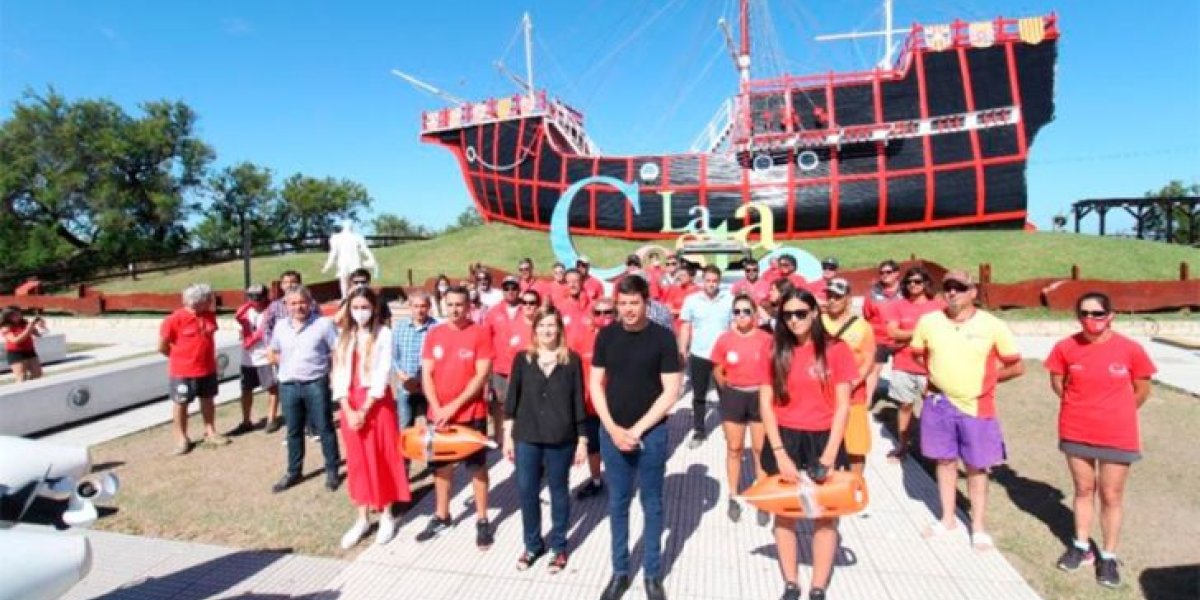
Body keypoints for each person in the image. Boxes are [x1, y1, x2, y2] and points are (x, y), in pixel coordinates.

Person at [1044, 292, 1156, 588]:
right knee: (1083, 489)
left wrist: (1116, 412)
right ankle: (1081, 547)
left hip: (1117, 434)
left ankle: (1107, 556)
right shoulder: (1065, 347)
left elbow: (1142, 390)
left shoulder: (1130, 349)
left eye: (1097, 313)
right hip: (1075, 430)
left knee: (1111, 495)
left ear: (1110, 316)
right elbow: (1058, 383)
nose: (1090, 319)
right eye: (1084, 313)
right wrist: (1080, 407)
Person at [911, 270, 1023, 551]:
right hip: (939, 403)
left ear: (973, 292)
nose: (952, 293)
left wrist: (985, 380)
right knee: (944, 462)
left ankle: (978, 527)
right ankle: (947, 518)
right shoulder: (929, 322)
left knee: (976, 466)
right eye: (948, 287)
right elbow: (919, 355)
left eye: (960, 288)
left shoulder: (992, 325)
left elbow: (1016, 366)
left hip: (976, 405)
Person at [758, 290, 855, 600]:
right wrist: (779, 453)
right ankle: (791, 582)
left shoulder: (836, 349)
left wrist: (829, 455)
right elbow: (766, 403)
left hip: (823, 437)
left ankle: (818, 585)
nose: (794, 320)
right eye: (787, 315)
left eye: (800, 313)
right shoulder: (775, 349)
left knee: (824, 516)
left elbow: (843, 405)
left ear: (814, 312)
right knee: (784, 512)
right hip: (785, 437)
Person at [590, 275, 682, 600]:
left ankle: (652, 574)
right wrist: (613, 428)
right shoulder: (606, 336)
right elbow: (595, 384)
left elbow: (671, 391)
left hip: (650, 433)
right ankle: (620, 571)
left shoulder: (663, 338)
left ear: (646, 303)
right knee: (618, 503)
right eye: (623, 303)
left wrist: (637, 430)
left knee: (652, 504)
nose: (628, 310)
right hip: (612, 432)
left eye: (634, 303)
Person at [503, 306, 588, 573]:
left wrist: (582, 440)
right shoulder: (522, 359)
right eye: (541, 325)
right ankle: (532, 545)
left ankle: (559, 546)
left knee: (558, 492)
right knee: (527, 491)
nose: (546, 330)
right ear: (534, 329)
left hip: (560, 437)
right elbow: (512, 400)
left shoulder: (571, 360)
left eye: (551, 325)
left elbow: (578, 401)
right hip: (527, 436)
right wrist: (507, 436)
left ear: (559, 328)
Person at [330, 287, 410, 548]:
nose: (360, 312)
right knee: (357, 461)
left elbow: (383, 373)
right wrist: (347, 408)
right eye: (355, 307)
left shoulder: (384, 334)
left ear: (374, 308)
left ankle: (387, 514)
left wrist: (364, 409)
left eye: (365, 307)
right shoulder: (344, 336)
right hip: (350, 402)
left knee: (383, 456)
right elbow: (338, 374)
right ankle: (362, 517)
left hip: (376, 403)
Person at [417, 286, 495, 548]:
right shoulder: (434, 333)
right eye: (450, 304)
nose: (455, 309)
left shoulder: (480, 333)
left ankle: (482, 520)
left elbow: (480, 376)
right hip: (437, 416)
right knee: (441, 468)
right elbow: (427, 374)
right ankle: (442, 515)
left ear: (468, 306)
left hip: (471, 414)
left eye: (460, 304)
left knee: (477, 468)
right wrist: (436, 407)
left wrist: (453, 407)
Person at [268, 285, 342, 493]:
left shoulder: (323, 324)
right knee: (293, 430)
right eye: (293, 303)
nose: (298, 307)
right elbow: (273, 351)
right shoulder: (280, 326)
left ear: (310, 303)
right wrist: (286, 365)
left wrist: (335, 376)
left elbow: (337, 350)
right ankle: (294, 471)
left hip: (315, 383)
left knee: (325, 428)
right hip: (289, 385)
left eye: (302, 302)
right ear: (286, 305)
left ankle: (332, 470)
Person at [710, 293, 772, 525]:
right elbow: (717, 368)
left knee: (759, 449)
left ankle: (762, 496)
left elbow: (775, 366)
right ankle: (734, 495)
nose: (742, 315)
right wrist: (728, 390)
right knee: (734, 448)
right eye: (737, 311)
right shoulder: (725, 339)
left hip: (759, 396)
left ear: (755, 313)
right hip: (734, 396)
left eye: (747, 311)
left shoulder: (766, 339)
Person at [158, 284, 228, 455]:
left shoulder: (209, 316)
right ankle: (181, 438)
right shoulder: (174, 319)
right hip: (183, 372)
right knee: (181, 404)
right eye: (209, 299)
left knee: (208, 400)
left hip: (207, 369)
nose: (211, 301)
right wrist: (180, 358)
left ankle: (210, 431)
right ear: (198, 301)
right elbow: (162, 346)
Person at [884, 265, 944, 461]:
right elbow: (893, 332)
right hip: (903, 363)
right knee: (905, 405)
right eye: (909, 282)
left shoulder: (937, 306)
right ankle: (902, 445)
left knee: (932, 407)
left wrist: (909, 334)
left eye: (917, 281)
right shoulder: (898, 306)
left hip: (930, 365)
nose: (913, 285)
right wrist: (921, 331)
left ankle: (933, 447)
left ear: (925, 283)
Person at [820, 278, 875, 479]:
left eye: (837, 296)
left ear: (848, 299)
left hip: (853, 394)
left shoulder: (863, 327)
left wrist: (851, 384)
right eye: (829, 295)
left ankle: (856, 483)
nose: (832, 300)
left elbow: (868, 360)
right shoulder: (817, 321)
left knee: (855, 446)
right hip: (822, 394)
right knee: (824, 443)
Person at [678, 265, 732, 448]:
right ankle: (699, 431)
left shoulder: (729, 300)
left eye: (715, 281)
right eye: (708, 280)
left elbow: (734, 326)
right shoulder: (692, 300)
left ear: (719, 281)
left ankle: (729, 428)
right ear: (703, 281)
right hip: (699, 353)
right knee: (699, 394)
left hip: (722, 356)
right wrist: (682, 350)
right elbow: (685, 326)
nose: (711, 284)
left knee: (726, 394)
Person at [567, 296, 616, 500]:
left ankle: (620, 480)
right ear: (592, 315)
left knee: (617, 445)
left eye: (608, 312)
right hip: (589, 403)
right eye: (598, 312)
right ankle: (596, 480)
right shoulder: (581, 337)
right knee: (593, 445)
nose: (603, 316)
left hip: (616, 404)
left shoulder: (625, 338)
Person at [483, 276, 527, 443]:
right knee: (499, 406)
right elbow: (486, 341)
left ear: (519, 290)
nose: (510, 291)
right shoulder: (493, 312)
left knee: (522, 404)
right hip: (499, 368)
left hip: (522, 368)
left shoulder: (527, 308)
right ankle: (501, 440)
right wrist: (487, 372)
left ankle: (519, 439)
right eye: (506, 288)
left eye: (513, 287)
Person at [232, 284, 278, 434]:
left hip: (265, 355)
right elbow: (239, 327)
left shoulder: (272, 310)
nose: (256, 300)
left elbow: (270, 330)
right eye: (252, 296)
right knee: (246, 389)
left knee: (271, 388)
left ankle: (271, 419)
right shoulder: (245, 311)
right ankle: (246, 421)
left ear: (265, 296)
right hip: (248, 357)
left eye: (259, 296)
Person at [393, 291, 438, 429]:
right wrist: (400, 374)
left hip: (429, 384)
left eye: (423, 306)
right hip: (406, 383)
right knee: (405, 423)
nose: (419, 310)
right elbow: (394, 354)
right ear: (410, 307)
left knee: (433, 424)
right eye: (416, 306)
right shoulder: (400, 326)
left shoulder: (436, 328)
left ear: (429, 307)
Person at [861, 259, 901, 407]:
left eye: (888, 272)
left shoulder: (906, 290)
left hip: (901, 337)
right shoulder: (873, 292)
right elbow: (867, 314)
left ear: (896, 273)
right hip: (879, 338)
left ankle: (905, 401)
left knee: (904, 371)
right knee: (873, 370)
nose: (885, 275)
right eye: (882, 272)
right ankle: (868, 402)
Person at [322, 219, 378, 298]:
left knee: (354, 281)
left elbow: (365, 249)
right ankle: (346, 298)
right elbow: (333, 253)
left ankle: (355, 297)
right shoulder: (337, 237)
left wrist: (372, 259)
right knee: (345, 282)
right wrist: (327, 265)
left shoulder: (356, 237)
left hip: (352, 263)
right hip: (346, 263)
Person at [2, 306, 46, 382]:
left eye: (19, 313)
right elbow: (16, 340)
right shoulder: (6, 327)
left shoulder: (25, 323)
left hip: (30, 351)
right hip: (16, 353)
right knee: (21, 376)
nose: (18, 316)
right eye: (14, 315)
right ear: (8, 317)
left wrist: (41, 326)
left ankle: (32, 387)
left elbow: (38, 334)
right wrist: (28, 329)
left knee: (37, 374)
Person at [555, 268, 592, 342]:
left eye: (576, 281)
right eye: (569, 282)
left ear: (582, 282)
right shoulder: (559, 308)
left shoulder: (592, 306)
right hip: (567, 348)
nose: (572, 285)